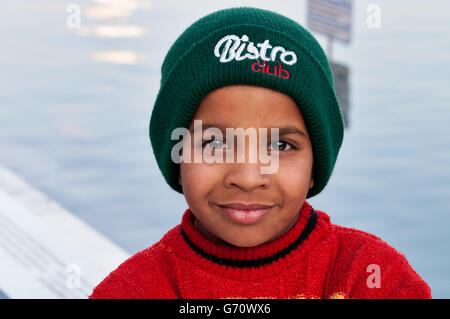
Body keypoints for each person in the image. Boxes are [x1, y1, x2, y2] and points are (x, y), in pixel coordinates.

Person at [89, 7, 431, 299]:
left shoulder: (369, 277)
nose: (249, 178)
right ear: (177, 158)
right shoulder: (136, 288)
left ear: (316, 164)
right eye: (215, 144)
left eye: (281, 145)